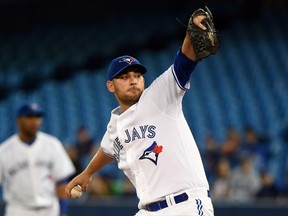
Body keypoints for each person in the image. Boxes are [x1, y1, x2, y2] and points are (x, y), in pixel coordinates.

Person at [65, 11, 215, 216]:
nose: (133, 80)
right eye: (124, 77)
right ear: (111, 86)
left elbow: (183, 63)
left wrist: (191, 34)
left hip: (185, 205)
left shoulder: (159, 97)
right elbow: (108, 149)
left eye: (137, 75)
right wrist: (87, 173)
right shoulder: (116, 123)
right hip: (148, 210)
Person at [0, 102, 76, 216]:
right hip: (18, 210)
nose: (35, 121)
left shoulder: (52, 144)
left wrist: (63, 212)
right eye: (29, 117)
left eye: (37, 117)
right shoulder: (4, 150)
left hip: (49, 209)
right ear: (19, 120)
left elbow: (61, 181)